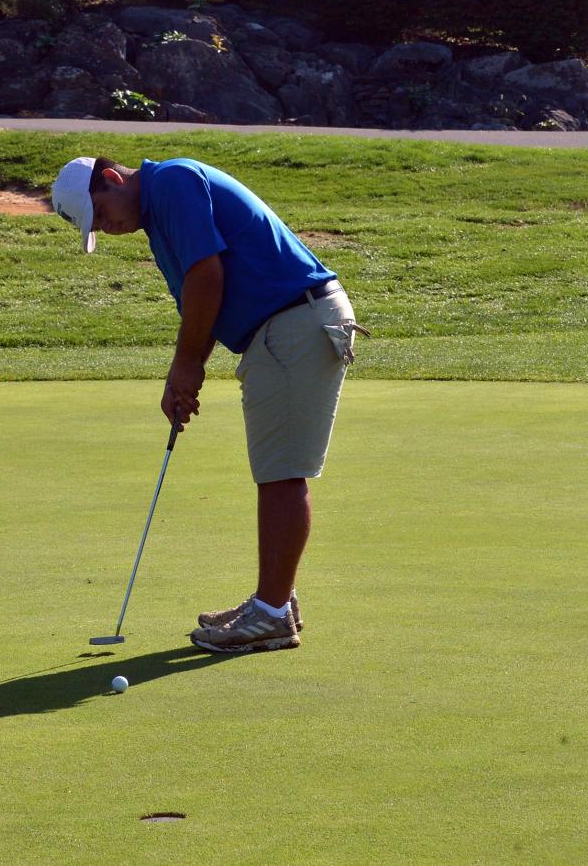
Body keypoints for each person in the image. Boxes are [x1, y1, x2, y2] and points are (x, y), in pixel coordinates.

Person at [52, 155, 366, 654]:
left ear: (111, 179)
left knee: (282, 473)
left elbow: (207, 277)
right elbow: (202, 302)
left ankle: (272, 613)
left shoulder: (173, 183)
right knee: (276, 470)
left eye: (102, 214)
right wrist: (183, 374)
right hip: (282, 326)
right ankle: (274, 601)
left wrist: (186, 366)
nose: (107, 229)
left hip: (295, 322)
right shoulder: (158, 215)